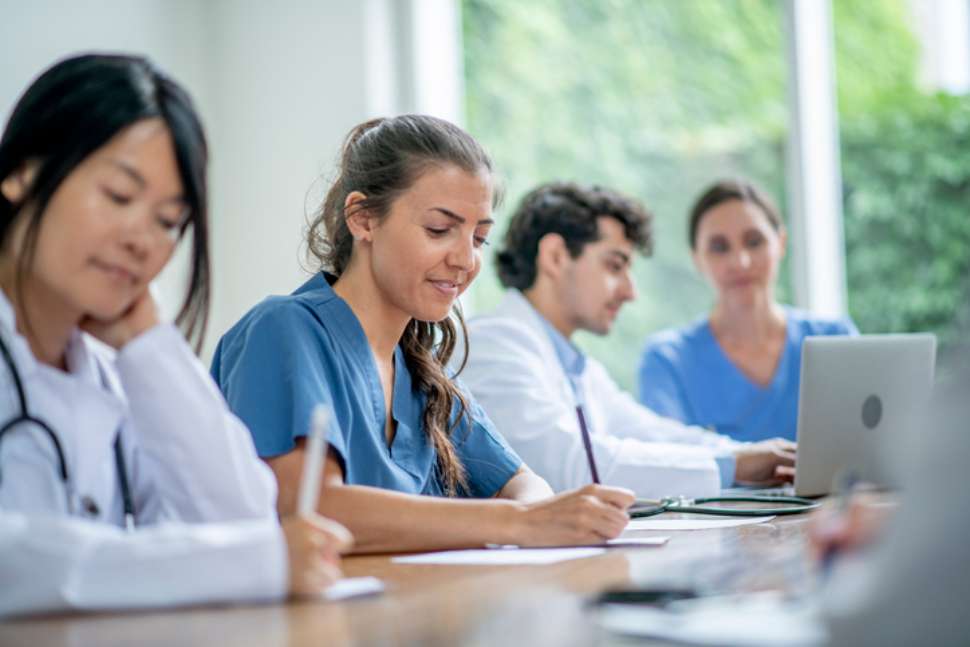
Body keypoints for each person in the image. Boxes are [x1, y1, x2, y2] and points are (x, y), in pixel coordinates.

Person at [0, 54, 350, 618]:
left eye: (167, 221)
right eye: (118, 195)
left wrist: (148, 344)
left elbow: (239, 520)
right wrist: (245, 562)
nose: (142, 239)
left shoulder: (114, 370)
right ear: (23, 172)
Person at [212, 116, 634, 554]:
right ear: (362, 219)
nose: (465, 260)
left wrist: (534, 516)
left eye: (479, 238)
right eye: (439, 230)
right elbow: (312, 510)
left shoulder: (421, 374)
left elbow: (527, 488)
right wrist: (516, 522)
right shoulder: (283, 331)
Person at [458, 181, 795, 499]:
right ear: (556, 256)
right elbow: (566, 464)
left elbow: (650, 433)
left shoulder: (578, 367)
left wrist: (745, 455)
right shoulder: (492, 345)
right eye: (614, 266)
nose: (630, 291)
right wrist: (733, 465)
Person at [638, 179, 857, 442]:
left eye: (754, 242)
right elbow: (670, 463)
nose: (740, 262)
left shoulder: (835, 340)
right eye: (719, 247)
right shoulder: (667, 360)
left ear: (781, 243)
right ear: (697, 258)